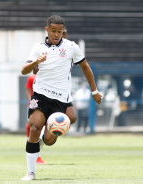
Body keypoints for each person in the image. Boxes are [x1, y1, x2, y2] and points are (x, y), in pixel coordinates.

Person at [20, 15, 102, 180]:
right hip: (41, 94)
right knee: (34, 127)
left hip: (61, 98)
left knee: (63, 126)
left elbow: (85, 66)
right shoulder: (37, 48)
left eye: (59, 31)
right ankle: (31, 172)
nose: (56, 34)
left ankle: (44, 138)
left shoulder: (71, 47)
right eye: (53, 31)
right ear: (47, 30)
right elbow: (24, 70)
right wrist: (36, 61)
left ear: (63, 31)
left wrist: (94, 91)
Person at [25, 67, 46, 164]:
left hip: (45, 105)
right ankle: (36, 155)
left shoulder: (46, 77)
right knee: (33, 127)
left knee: (42, 130)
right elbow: (28, 90)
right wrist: (32, 101)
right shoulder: (31, 77)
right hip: (34, 105)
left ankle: (37, 154)